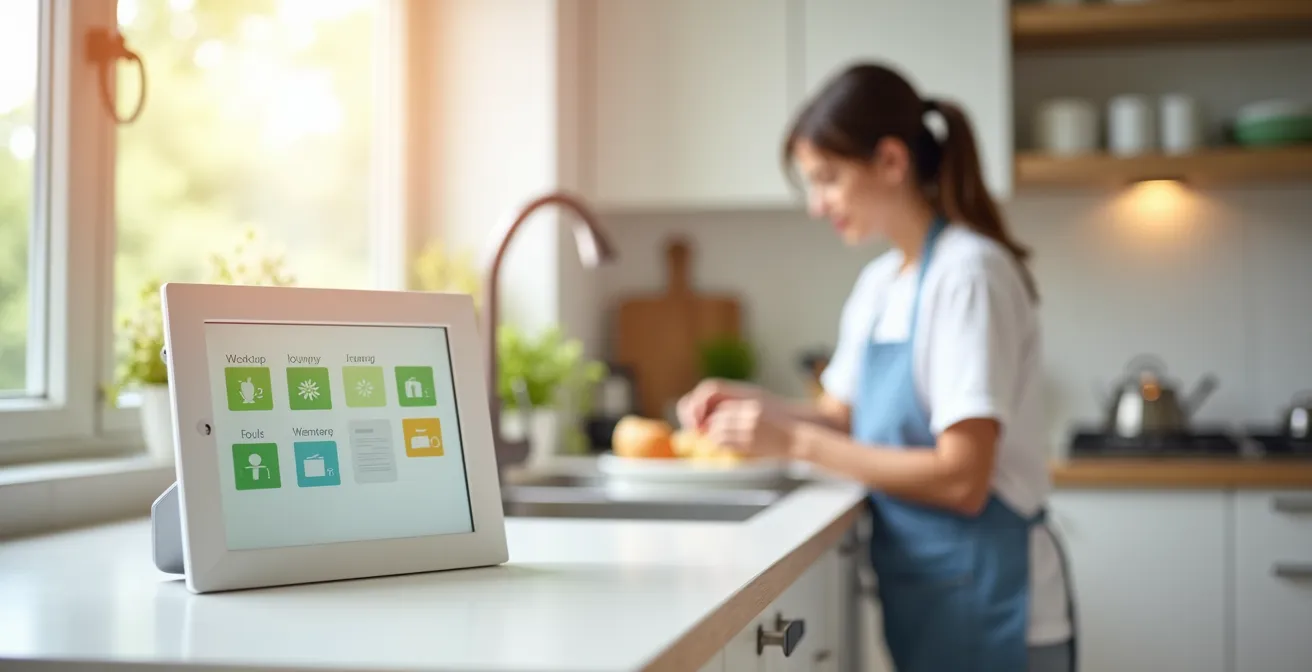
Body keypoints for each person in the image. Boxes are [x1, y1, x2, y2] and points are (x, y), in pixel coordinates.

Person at [676, 63, 1077, 672]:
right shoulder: (880, 285)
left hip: (999, 604)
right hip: (929, 594)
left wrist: (793, 441)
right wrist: (753, 405)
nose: (818, 206)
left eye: (828, 179)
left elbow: (962, 479)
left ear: (891, 162)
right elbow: (843, 416)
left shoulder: (969, 275)